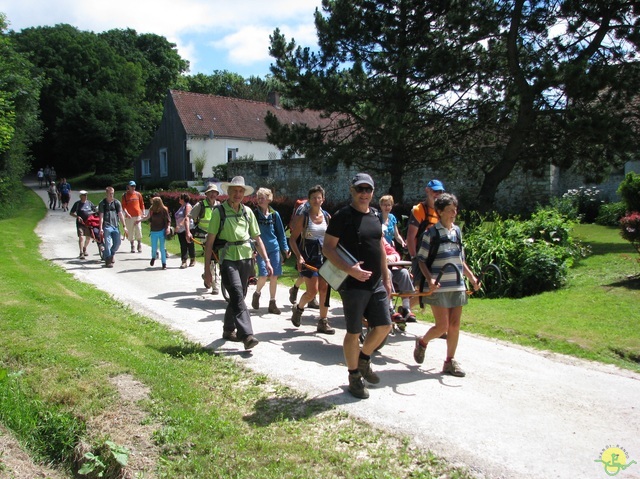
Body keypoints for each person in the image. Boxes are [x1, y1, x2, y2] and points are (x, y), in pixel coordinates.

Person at [323, 173, 393, 399]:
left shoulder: (374, 215)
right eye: (360, 189)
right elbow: (328, 248)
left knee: (384, 327)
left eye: (368, 190)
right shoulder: (342, 216)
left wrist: (387, 275)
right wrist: (350, 269)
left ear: (373, 192)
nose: (364, 194)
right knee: (354, 332)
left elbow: (380, 247)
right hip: (352, 284)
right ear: (352, 191)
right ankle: (354, 376)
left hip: (375, 283)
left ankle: (363, 359)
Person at [413, 193, 480, 377]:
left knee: (455, 325)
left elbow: (460, 260)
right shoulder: (431, 233)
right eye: (450, 210)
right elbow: (421, 260)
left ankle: (449, 362)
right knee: (442, 326)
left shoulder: (457, 231)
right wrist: (430, 280)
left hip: (457, 285)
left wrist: (472, 278)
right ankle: (422, 342)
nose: (454, 213)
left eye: (455, 209)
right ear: (440, 212)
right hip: (439, 286)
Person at [203, 176, 273, 350]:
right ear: (228, 192)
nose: (237, 194)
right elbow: (210, 242)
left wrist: (267, 260)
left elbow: (257, 238)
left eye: (241, 191)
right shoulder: (219, 212)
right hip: (227, 259)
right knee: (235, 292)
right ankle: (247, 334)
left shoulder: (248, 212)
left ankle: (228, 330)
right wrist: (207, 270)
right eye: (234, 190)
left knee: (238, 296)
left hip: (246, 258)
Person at [289, 185, 334, 335]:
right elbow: (293, 240)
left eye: (318, 197)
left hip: (326, 257)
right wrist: (299, 257)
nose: (316, 200)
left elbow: (334, 239)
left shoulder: (327, 217)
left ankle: (323, 321)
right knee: (312, 292)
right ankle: (299, 308)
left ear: (323, 199)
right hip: (309, 257)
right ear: (309, 200)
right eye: (313, 197)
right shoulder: (305, 217)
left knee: (325, 290)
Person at [251, 188, 291, 314]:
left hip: (274, 249)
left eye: (262, 197)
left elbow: (281, 233)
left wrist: (285, 248)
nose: (260, 200)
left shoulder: (275, 215)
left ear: (269, 199)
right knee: (263, 275)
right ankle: (257, 293)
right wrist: (252, 249)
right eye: (258, 198)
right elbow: (251, 234)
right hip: (260, 249)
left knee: (274, 276)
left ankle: (272, 303)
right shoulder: (255, 214)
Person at [406, 179, 445, 306]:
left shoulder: (442, 212)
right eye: (435, 191)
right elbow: (411, 237)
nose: (437, 194)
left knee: (429, 289)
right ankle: (405, 309)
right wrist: (414, 257)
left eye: (440, 191)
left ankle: (405, 308)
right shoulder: (419, 210)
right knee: (421, 288)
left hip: (435, 256)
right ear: (427, 191)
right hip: (420, 255)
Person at [288, 199, 320, 309]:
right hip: (303, 243)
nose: (317, 200)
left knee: (307, 274)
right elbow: (293, 226)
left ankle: (296, 289)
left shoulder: (321, 210)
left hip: (316, 247)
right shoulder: (303, 207)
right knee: (307, 273)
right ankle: (303, 293)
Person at [188, 183, 221, 293]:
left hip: (217, 235)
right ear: (206, 194)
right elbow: (188, 218)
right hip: (203, 235)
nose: (212, 194)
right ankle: (215, 285)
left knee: (219, 257)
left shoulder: (219, 205)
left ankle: (207, 274)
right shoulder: (200, 205)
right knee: (212, 257)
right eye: (210, 192)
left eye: (214, 193)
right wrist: (188, 232)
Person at [383, 240, 416, 321]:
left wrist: (391, 257)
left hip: (388, 269)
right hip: (375, 272)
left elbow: (395, 254)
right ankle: (389, 308)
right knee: (387, 273)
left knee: (404, 272)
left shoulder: (381, 239)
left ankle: (406, 308)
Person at [137, 196, 171, 270]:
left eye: (153, 202)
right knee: (154, 247)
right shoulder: (152, 209)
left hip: (162, 230)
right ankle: (153, 257)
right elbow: (147, 217)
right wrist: (139, 220)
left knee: (162, 248)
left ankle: (164, 264)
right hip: (153, 231)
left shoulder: (164, 210)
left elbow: (168, 220)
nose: (152, 203)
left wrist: (168, 228)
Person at [98, 186, 128, 268]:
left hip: (115, 226)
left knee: (117, 243)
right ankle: (108, 260)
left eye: (112, 193)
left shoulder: (117, 202)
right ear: (106, 193)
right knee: (107, 243)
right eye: (110, 194)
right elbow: (101, 216)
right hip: (107, 226)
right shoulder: (102, 203)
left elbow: (120, 215)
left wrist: (124, 226)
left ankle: (111, 254)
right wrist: (101, 228)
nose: (112, 195)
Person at [69, 190, 96, 259]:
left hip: (88, 223)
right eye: (84, 195)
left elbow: (95, 210)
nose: (85, 196)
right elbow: (71, 213)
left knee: (88, 238)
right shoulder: (77, 204)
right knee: (81, 237)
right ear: (80, 196)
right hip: (80, 223)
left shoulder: (89, 203)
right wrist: (77, 216)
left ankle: (84, 248)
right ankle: (81, 252)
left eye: (86, 195)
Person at [122, 180, 145, 253]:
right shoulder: (125, 196)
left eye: (134, 186)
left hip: (138, 215)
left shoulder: (138, 194)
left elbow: (142, 204)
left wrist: (143, 213)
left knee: (138, 230)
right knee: (130, 231)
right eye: (132, 186)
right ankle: (132, 245)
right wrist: (127, 213)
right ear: (128, 186)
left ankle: (139, 244)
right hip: (129, 216)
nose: (133, 187)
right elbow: (124, 206)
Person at [175, 193, 196, 268]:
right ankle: (184, 261)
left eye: (180, 198)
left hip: (188, 228)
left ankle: (192, 259)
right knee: (183, 245)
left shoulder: (188, 206)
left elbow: (187, 217)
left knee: (190, 244)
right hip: (181, 230)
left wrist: (179, 225)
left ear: (183, 199)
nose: (179, 199)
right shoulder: (181, 207)